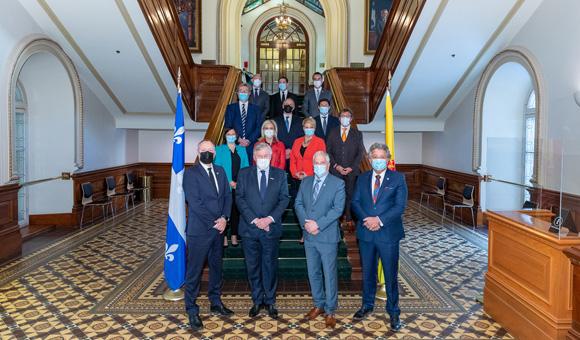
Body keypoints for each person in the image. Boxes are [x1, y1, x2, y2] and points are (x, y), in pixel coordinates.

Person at [351, 143, 408, 332]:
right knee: (368, 272)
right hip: (366, 232)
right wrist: (367, 219)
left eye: (381, 156)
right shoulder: (362, 178)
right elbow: (355, 202)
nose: (377, 160)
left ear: (387, 158)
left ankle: (393, 310)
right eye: (374, 156)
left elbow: (399, 207)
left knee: (390, 274)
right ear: (369, 158)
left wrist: (379, 220)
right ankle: (367, 305)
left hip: (388, 234)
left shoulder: (398, 178)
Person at [183, 140, 234, 332]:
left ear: (214, 153)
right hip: (200, 230)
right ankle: (191, 308)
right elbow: (194, 203)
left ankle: (215, 301)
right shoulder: (191, 174)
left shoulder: (220, 171)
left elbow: (228, 196)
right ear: (198, 152)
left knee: (216, 267)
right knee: (194, 271)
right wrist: (216, 221)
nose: (207, 153)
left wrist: (225, 218)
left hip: (219, 230)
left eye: (210, 150)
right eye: (204, 150)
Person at [236, 143, 290, 319]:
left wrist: (269, 219)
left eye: (266, 156)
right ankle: (257, 300)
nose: (263, 159)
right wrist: (255, 220)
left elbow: (284, 200)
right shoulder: (244, 174)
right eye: (260, 156)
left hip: (270, 229)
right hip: (249, 228)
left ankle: (270, 300)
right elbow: (240, 198)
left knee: (270, 266)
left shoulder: (280, 174)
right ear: (254, 157)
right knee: (252, 267)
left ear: (271, 156)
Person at [294, 151, 345, 329]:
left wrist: (318, 225)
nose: (318, 165)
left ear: (328, 164)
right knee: (313, 272)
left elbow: (337, 209)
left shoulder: (338, 183)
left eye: (322, 162)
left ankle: (330, 310)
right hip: (309, 235)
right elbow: (298, 204)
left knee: (329, 274)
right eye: (316, 162)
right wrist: (306, 224)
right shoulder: (306, 181)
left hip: (327, 236)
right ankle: (319, 304)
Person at [327, 108, 366, 228]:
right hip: (335, 170)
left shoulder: (357, 134)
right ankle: (337, 218)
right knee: (336, 195)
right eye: (342, 116)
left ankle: (349, 218)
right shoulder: (332, 132)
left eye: (347, 116)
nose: (345, 118)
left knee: (350, 194)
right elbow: (328, 151)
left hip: (352, 171)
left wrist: (352, 167)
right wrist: (336, 166)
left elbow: (360, 153)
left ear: (351, 119)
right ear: (339, 118)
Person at [214, 128, 250, 247]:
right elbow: (218, 168)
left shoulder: (242, 149)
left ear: (236, 136)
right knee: (225, 210)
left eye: (233, 134)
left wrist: (239, 183)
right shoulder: (219, 150)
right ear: (225, 136)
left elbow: (246, 168)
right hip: (225, 186)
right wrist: (228, 182)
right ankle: (224, 236)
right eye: (228, 134)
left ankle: (234, 235)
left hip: (239, 186)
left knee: (236, 211)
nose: (231, 136)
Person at [224, 83, 263, 160]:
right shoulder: (230, 108)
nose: (243, 93)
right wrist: (238, 139)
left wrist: (249, 140)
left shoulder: (256, 109)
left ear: (249, 93)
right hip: (235, 144)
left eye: (245, 91)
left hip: (251, 145)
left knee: (250, 168)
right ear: (237, 93)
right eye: (241, 91)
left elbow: (259, 127)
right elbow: (228, 126)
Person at [273, 98, 304, 168]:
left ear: (293, 107)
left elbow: (301, 138)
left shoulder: (300, 121)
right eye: (286, 104)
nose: (288, 106)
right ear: (282, 106)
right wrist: (283, 150)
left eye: (291, 104)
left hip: (294, 155)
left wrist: (291, 150)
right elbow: (273, 138)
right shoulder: (274, 120)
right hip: (279, 155)